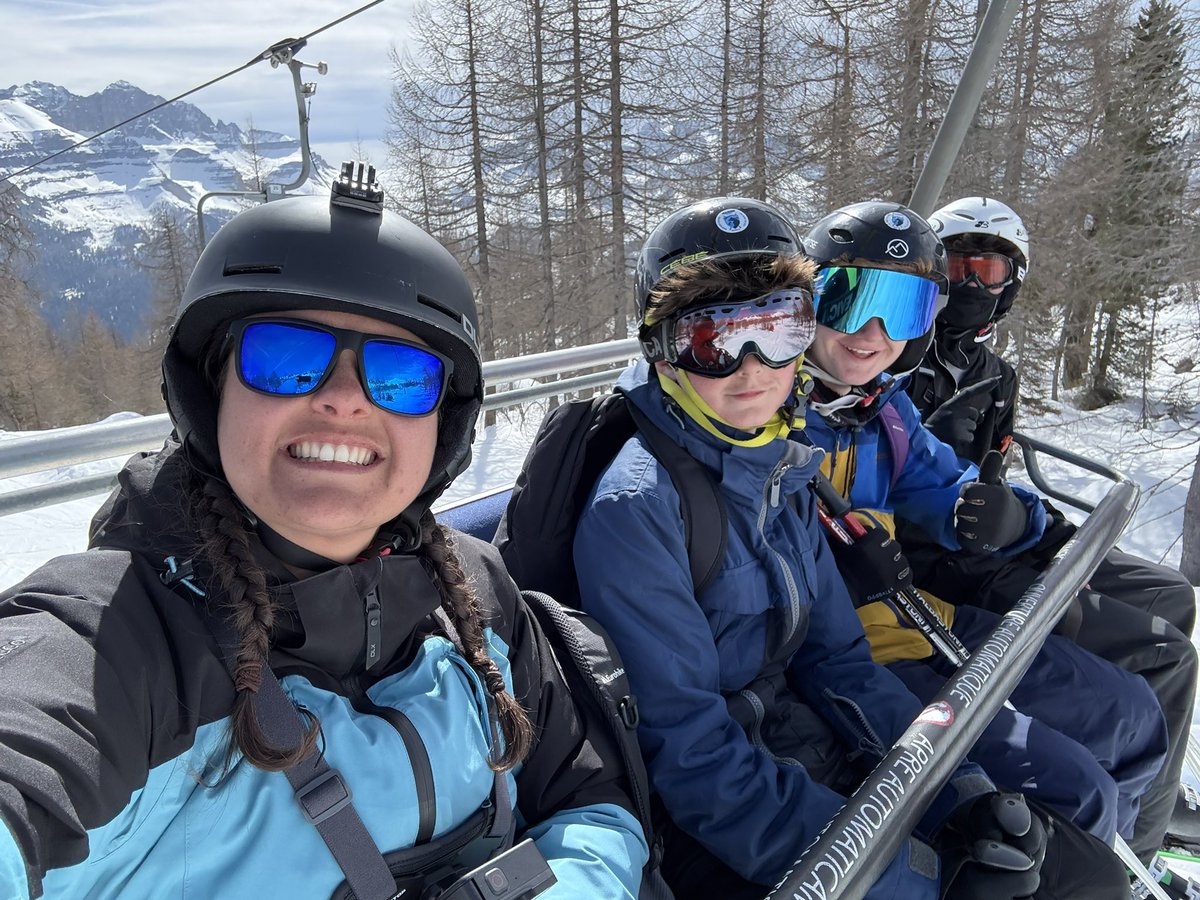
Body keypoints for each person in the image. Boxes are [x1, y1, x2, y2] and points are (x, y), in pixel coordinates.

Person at [0, 168, 647, 898]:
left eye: (400, 373)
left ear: (443, 427)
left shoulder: (477, 591)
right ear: (211, 395)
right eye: (285, 359)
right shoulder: (115, 640)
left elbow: (591, 801)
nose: (343, 401)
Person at [571, 196, 1126, 899]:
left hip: (816, 751)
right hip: (735, 814)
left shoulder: (777, 463)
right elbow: (693, 757)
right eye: (713, 341)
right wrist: (913, 879)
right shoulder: (638, 508)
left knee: (1081, 872)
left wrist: (960, 795)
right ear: (661, 347)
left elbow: (842, 664)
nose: (752, 369)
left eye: (778, 330)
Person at [796, 200, 1168, 847]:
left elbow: (950, 490)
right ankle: (1081, 871)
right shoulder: (768, 418)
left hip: (920, 619)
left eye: (904, 310)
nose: (873, 330)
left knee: (1132, 714)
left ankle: (1117, 863)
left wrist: (1010, 517)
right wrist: (826, 575)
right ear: (808, 302)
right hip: (855, 662)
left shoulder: (884, 414)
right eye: (850, 299)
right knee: (1078, 792)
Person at [902, 195, 1199, 862]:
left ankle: (1153, 784)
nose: (971, 283)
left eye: (988, 269)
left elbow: (990, 475)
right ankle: (1138, 837)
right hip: (950, 568)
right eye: (957, 265)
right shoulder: (892, 362)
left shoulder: (992, 377)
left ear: (1012, 282)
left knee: (1170, 596)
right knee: (1164, 652)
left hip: (989, 542)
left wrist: (1050, 534)